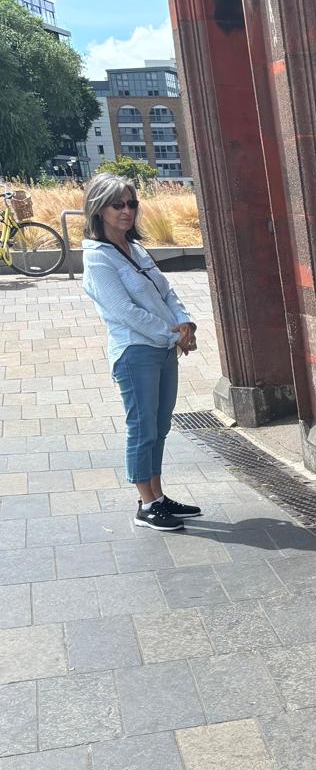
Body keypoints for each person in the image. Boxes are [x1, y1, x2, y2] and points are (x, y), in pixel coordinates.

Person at [81, 173, 202, 532]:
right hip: (136, 353)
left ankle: (158, 496)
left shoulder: (135, 249)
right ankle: (146, 504)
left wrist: (184, 322)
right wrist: (172, 335)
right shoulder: (98, 258)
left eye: (131, 203)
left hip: (163, 348)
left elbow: (166, 291)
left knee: (160, 426)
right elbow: (125, 312)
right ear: (99, 209)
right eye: (117, 204)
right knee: (142, 427)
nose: (126, 210)